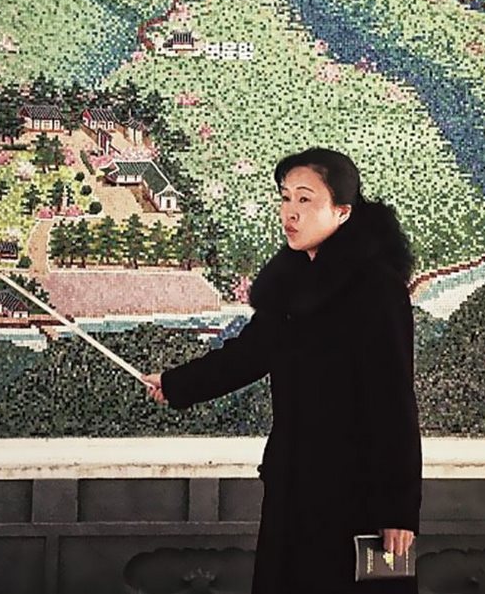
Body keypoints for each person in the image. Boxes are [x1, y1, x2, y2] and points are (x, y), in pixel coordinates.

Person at [143, 147, 422, 594]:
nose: (289, 213)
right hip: (294, 483)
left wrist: (400, 511)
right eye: (285, 197)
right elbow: (247, 356)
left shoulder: (376, 289)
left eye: (305, 200)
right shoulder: (292, 286)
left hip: (360, 494)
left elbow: (394, 403)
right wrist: (175, 384)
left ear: (343, 212)